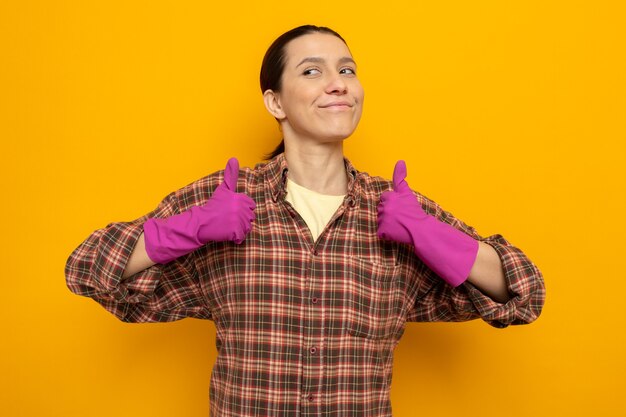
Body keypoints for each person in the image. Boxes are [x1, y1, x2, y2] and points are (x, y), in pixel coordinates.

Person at [65, 25, 545, 417]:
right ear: (275, 103)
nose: (338, 82)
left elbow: (525, 293)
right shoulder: (226, 199)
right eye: (312, 71)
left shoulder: (398, 208)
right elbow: (86, 268)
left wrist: (430, 234)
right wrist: (186, 228)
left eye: (347, 70)